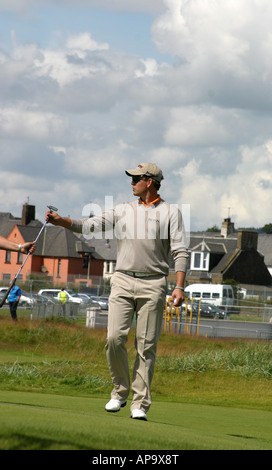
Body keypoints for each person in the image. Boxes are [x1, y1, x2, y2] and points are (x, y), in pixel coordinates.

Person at [46, 162, 188, 421]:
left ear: (150, 181)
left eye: (136, 178)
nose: (131, 182)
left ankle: (140, 403)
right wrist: (61, 221)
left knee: (146, 346)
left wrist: (179, 285)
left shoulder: (171, 213)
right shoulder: (122, 210)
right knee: (114, 339)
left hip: (153, 283)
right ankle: (119, 391)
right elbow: (88, 225)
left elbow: (180, 251)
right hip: (122, 280)